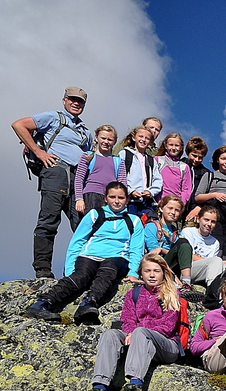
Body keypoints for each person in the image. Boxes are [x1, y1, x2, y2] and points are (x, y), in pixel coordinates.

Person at [26, 182, 143, 325]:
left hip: (118, 258)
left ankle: (89, 303)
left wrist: (133, 273)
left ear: (127, 199)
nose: (117, 201)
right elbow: (77, 241)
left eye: (121, 197)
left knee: (109, 268)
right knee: (80, 276)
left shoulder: (134, 221)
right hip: (89, 255)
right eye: (112, 197)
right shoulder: (94, 214)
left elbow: (136, 249)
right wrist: (70, 269)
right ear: (105, 198)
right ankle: (43, 303)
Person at [84, 255, 184, 391]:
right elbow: (127, 320)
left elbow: (167, 326)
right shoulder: (133, 293)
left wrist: (137, 332)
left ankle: (135, 390)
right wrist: (131, 333)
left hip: (166, 345)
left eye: (156, 271)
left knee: (140, 332)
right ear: (141, 273)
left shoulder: (172, 293)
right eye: (147, 271)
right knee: (110, 334)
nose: (152, 275)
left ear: (163, 273)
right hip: (139, 340)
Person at [13, 86, 93, 278]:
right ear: (64, 100)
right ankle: (42, 269)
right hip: (56, 172)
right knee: (49, 220)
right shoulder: (53, 117)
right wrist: (39, 153)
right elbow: (18, 125)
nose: (76, 103)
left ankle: (77, 271)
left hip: (78, 178)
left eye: (80, 101)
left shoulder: (86, 132)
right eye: (72, 99)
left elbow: (89, 157)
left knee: (82, 224)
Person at [190, 145, 226, 265]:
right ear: (217, 160)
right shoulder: (210, 176)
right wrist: (214, 195)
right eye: (223, 158)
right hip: (214, 213)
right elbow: (198, 197)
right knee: (216, 241)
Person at [73, 125, 128, 216]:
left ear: (114, 141)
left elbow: (123, 183)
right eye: (103, 138)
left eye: (109, 140)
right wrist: (79, 199)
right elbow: (79, 178)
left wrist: (124, 200)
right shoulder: (88, 156)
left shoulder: (118, 161)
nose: (106, 142)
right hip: (91, 196)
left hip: (111, 198)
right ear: (97, 138)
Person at [175, 206, 225, 292]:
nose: (209, 224)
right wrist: (213, 262)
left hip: (204, 272)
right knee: (217, 261)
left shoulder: (215, 242)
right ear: (198, 219)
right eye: (206, 220)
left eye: (213, 222)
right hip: (188, 269)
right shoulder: (188, 232)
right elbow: (189, 256)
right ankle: (212, 293)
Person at [118, 126, 161, 216]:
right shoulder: (125, 154)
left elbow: (158, 179)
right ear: (134, 137)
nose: (143, 140)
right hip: (129, 201)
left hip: (146, 202)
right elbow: (119, 175)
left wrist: (150, 192)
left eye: (147, 138)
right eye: (141, 136)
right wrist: (130, 191)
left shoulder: (151, 160)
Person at [155, 133, 193, 209]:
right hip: (158, 202)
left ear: (181, 147)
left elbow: (186, 189)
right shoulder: (158, 160)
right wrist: (158, 199)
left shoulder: (184, 167)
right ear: (166, 145)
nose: (173, 148)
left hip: (175, 206)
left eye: (177, 145)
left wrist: (180, 204)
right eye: (171, 145)